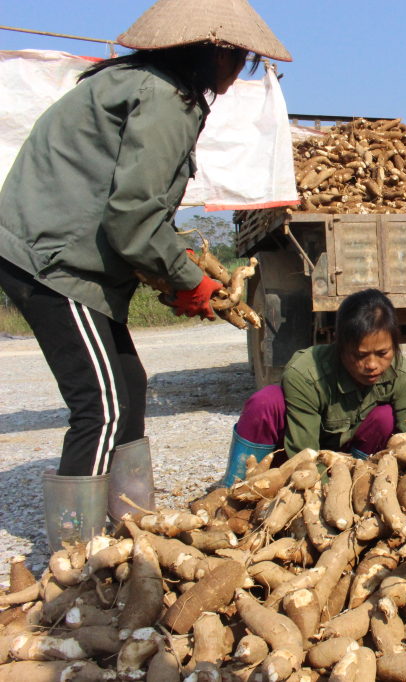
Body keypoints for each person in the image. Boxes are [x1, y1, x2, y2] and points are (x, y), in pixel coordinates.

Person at [0, 0, 290, 551]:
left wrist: (175, 275)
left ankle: (131, 525)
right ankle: (76, 554)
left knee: (129, 384)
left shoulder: (141, 83)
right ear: (215, 52)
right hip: (53, 263)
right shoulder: (163, 97)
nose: (239, 71)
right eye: (239, 58)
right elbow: (132, 219)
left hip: (63, 254)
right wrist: (189, 282)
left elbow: (139, 213)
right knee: (101, 406)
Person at [221, 289, 406, 484]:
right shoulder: (305, 373)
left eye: (382, 353)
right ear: (339, 344)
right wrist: (328, 492)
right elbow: (303, 455)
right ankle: (234, 487)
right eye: (360, 355)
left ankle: (362, 483)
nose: (372, 365)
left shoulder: (402, 373)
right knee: (266, 402)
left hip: (352, 466)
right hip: (291, 463)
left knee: (384, 417)